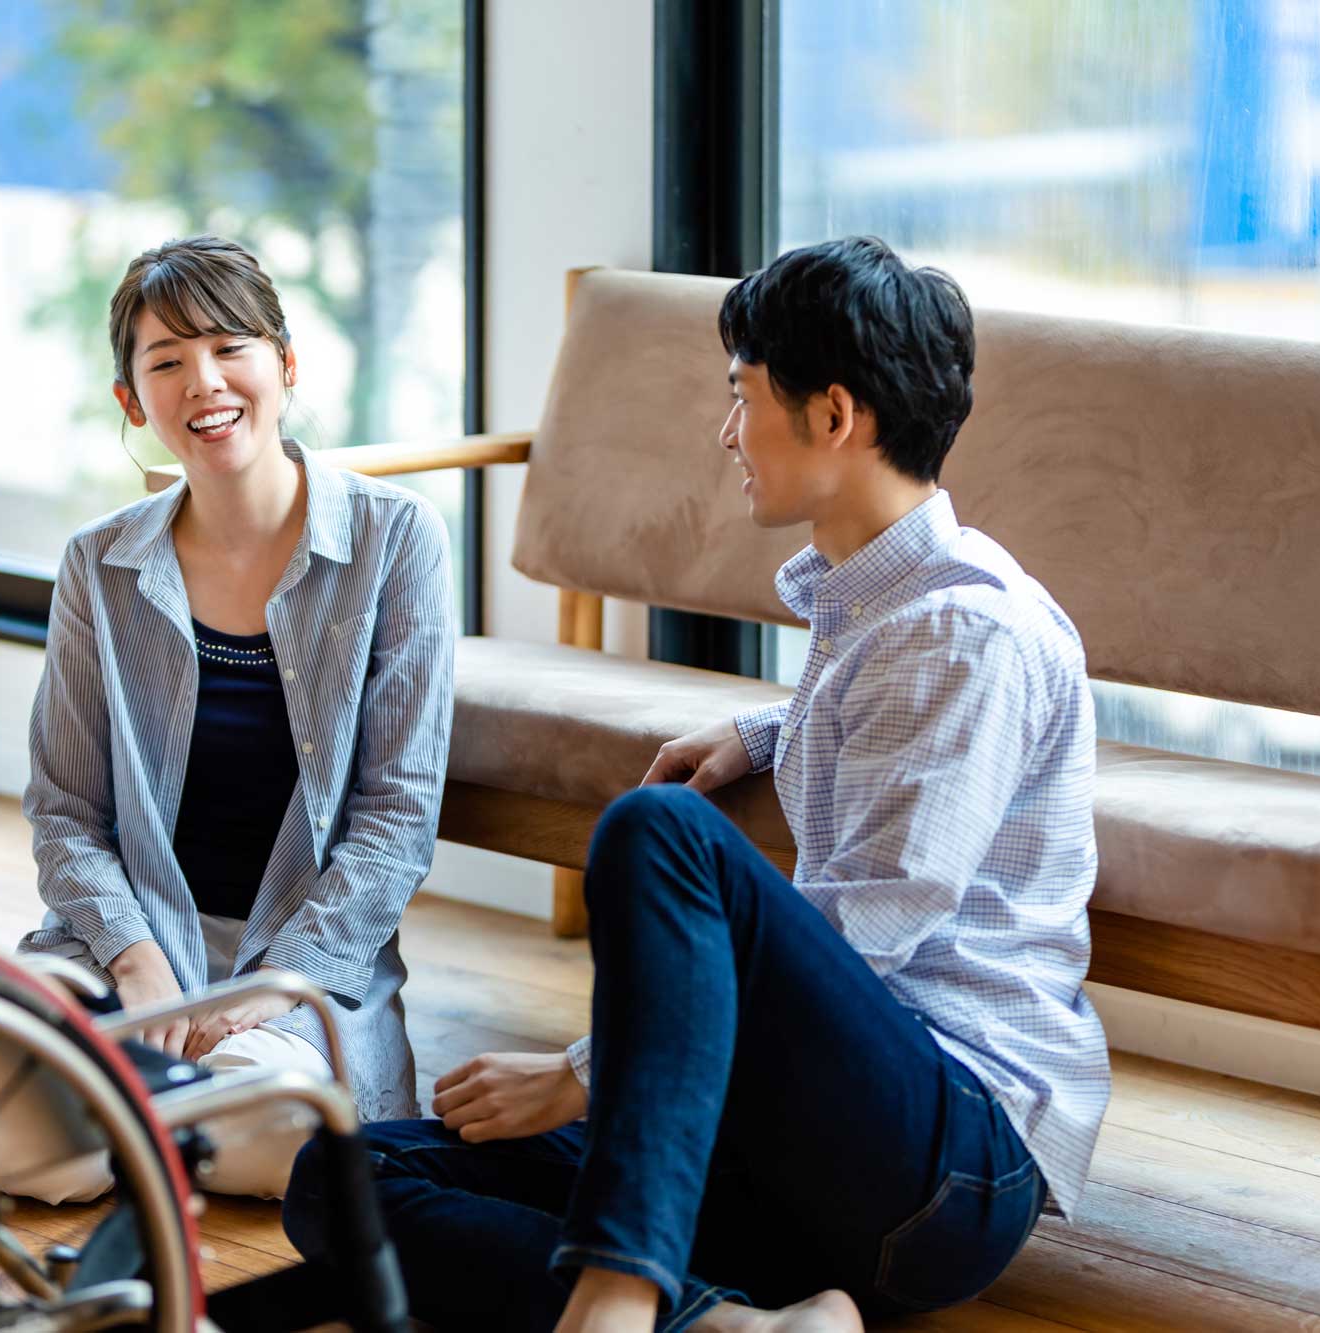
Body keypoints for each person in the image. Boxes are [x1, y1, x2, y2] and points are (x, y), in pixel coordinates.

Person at [283, 236, 1112, 1330]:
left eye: (742, 398)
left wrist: (584, 1075)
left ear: (831, 415)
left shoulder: (963, 632)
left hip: (944, 1160)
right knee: (339, 1181)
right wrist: (765, 728)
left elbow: (867, 921)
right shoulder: (885, 612)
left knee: (658, 831)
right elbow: (896, 735)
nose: (728, 433)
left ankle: (620, 1301)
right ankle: (722, 1323)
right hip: (797, 1145)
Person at [20, 234, 455, 1200]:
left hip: (302, 961)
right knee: (21, 1138)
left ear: (286, 366)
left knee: (271, 1136)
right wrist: (139, 967)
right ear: (134, 401)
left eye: (230, 348)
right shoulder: (99, 564)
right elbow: (64, 812)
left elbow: (395, 823)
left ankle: (137, 1121)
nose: (203, 382)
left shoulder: (397, 541)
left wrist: (268, 987)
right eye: (166, 362)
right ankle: (143, 1112)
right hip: (124, 942)